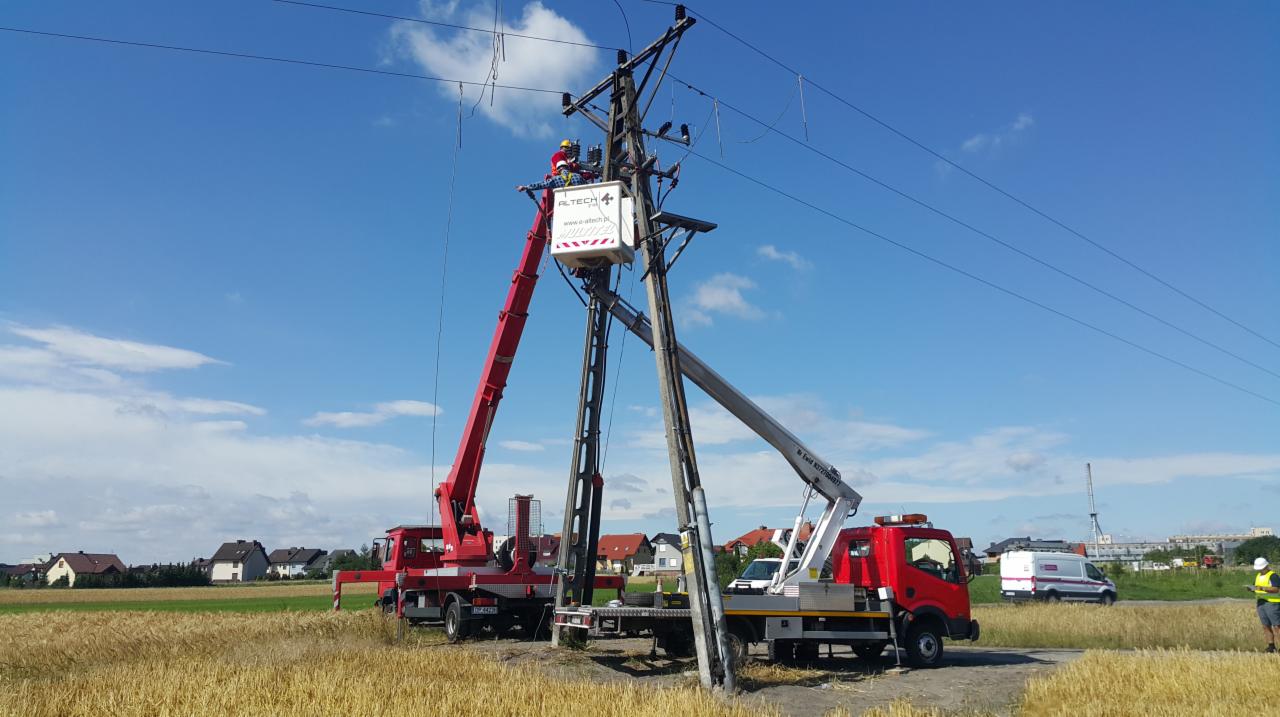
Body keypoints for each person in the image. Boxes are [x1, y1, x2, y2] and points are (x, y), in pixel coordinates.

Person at [1249, 556, 1280, 653]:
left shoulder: (1273, 576)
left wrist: (1262, 588)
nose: (1259, 570)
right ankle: (1271, 646)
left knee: (1277, 626)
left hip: (1272, 603)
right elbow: (1256, 587)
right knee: (1265, 625)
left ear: (1265, 566)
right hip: (1261, 603)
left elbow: (1276, 589)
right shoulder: (1258, 576)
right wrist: (1252, 589)